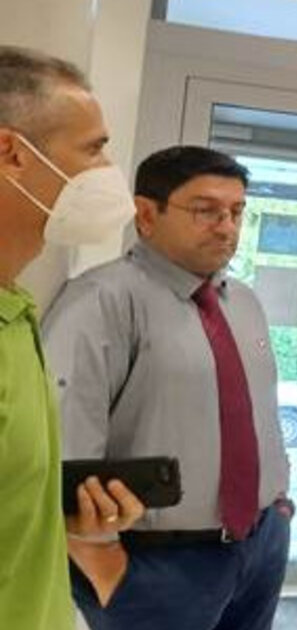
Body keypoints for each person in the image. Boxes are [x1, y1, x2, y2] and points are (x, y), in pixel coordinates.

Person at [43, 145, 294, 630]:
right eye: (205, 210)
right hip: (157, 561)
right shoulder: (101, 301)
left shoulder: (243, 302)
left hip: (261, 543)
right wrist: (102, 562)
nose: (226, 227)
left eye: (236, 211)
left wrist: (280, 507)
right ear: (146, 214)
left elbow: (257, 413)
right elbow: (65, 448)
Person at [0, 45, 144, 629]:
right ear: (12, 153)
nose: (109, 171)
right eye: (93, 149)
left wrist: (61, 523)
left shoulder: (16, 310)